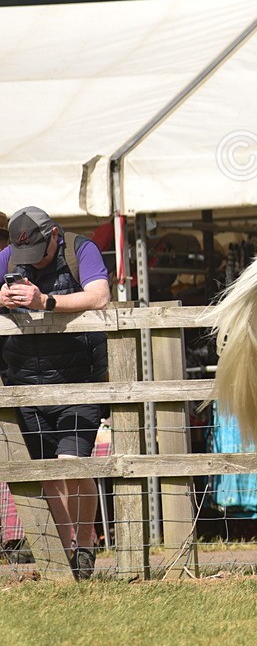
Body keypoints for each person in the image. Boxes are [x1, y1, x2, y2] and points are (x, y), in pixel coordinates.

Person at [0, 206, 111, 579]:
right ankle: (67, 560)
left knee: (72, 466)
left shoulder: (81, 250)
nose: (32, 261)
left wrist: (45, 301)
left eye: (38, 252)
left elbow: (99, 296)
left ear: (53, 235)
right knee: (47, 473)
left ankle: (85, 544)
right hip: (25, 385)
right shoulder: (9, 256)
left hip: (78, 382)